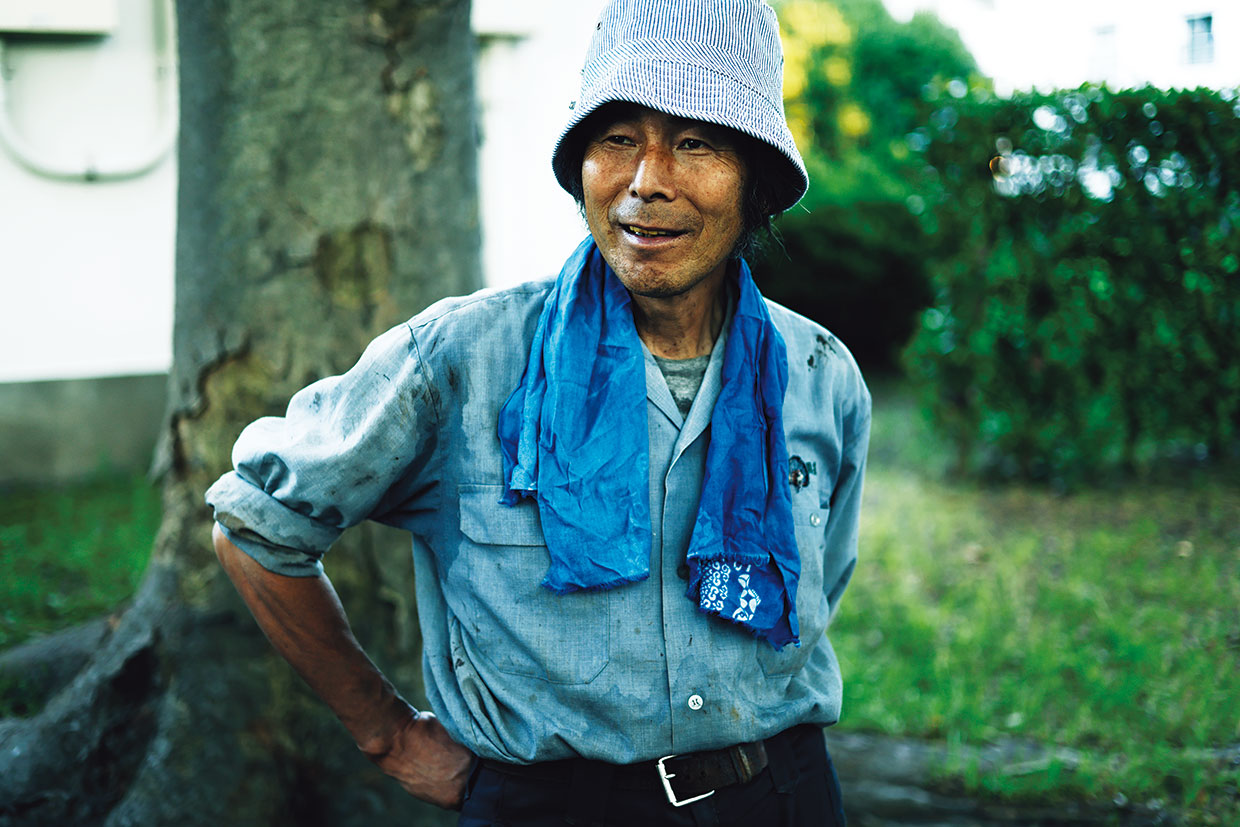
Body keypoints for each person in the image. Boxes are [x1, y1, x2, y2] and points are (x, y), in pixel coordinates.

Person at [206, 0, 870, 824]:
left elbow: (820, 587)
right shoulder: (462, 358)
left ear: (757, 181)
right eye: (617, 138)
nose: (646, 180)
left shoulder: (819, 375)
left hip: (781, 793)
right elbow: (258, 524)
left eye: (696, 142)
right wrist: (387, 734)